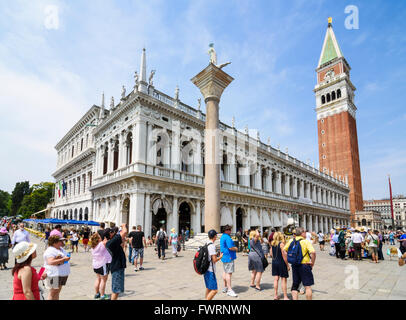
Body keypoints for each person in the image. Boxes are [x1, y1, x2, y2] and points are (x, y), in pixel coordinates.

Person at [284, 227, 316, 300]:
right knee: (307, 286)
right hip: (304, 265)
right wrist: (312, 263)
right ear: (302, 233)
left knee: (295, 286)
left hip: (294, 265)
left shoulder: (291, 240)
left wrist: (289, 258)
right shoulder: (305, 241)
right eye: (304, 232)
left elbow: (284, 251)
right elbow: (313, 252)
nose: (305, 233)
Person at [43, 235, 71, 300]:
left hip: (61, 273)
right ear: (54, 243)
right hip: (54, 274)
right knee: (52, 293)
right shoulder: (50, 250)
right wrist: (63, 259)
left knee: (57, 292)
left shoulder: (60, 248)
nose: (62, 242)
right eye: (60, 241)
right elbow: (50, 262)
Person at [106, 225, 128, 300]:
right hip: (117, 267)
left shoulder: (111, 243)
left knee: (117, 289)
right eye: (111, 232)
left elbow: (122, 241)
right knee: (116, 289)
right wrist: (124, 225)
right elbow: (124, 232)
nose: (113, 233)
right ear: (109, 234)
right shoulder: (111, 242)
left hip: (117, 266)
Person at [90, 232, 112, 300]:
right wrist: (106, 238)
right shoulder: (101, 244)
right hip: (102, 264)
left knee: (98, 279)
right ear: (98, 239)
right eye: (99, 237)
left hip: (95, 265)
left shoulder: (93, 246)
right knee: (103, 280)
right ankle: (102, 295)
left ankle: (97, 294)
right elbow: (108, 242)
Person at [204, 229, 223, 300]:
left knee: (208, 288)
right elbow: (214, 260)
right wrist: (220, 257)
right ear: (215, 236)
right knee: (214, 290)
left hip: (206, 269)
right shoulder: (212, 246)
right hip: (210, 270)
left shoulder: (206, 243)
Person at [270, 232, 290, 300]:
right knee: (283, 279)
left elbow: (271, 254)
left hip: (274, 262)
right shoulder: (281, 244)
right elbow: (284, 255)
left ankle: (275, 295)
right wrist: (287, 265)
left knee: (276, 279)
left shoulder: (272, 244)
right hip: (281, 262)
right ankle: (285, 296)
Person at [220, 225, 238, 297]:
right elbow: (230, 247)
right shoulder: (227, 237)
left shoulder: (222, 236)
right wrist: (236, 248)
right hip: (229, 257)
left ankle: (225, 287)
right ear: (226, 230)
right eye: (230, 230)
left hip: (224, 256)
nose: (230, 231)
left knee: (225, 272)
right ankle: (229, 290)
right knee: (229, 273)